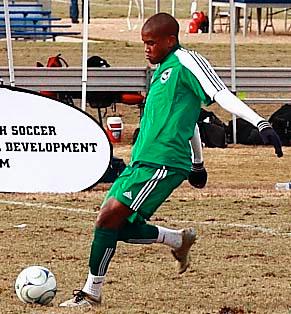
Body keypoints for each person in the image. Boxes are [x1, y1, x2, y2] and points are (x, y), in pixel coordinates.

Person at [60, 12, 283, 308]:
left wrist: (260, 122)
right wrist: (198, 162)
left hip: (163, 163)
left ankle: (90, 294)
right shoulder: (161, 72)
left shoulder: (187, 61)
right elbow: (187, 120)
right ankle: (177, 240)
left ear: (170, 39)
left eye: (151, 42)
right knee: (115, 226)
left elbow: (222, 94)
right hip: (142, 161)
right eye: (144, 43)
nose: (147, 48)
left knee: (107, 219)